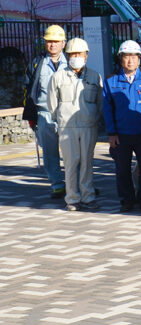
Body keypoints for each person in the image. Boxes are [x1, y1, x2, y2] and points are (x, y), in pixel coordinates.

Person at [47, 37, 103, 211]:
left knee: (87, 162)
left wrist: (94, 118)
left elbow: (100, 102)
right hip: (67, 127)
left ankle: (88, 197)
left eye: (79, 54)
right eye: (72, 54)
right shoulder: (58, 76)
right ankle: (72, 198)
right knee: (71, 163)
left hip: (89, 125)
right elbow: (52, 104)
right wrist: (61, 119)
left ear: (86, 56)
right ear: (67, 55)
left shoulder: (95, 76)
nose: (76, 57)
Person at [102, 40, 141, 212]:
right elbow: (107, 109)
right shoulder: (111, 81)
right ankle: (127, 199)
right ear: (121, 59)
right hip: (121, 134)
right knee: (122, 169)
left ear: (139, 58)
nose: (130, 60)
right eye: (126, 57)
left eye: (134, 57)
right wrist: (111, 133)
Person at [25, 24, 67, 198]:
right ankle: (57, 185)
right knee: (49, 153)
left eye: (56, 41)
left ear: (63, 43)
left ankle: (78, 184)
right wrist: (31, 116)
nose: (52, 45)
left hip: (68, 114)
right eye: (49, 41)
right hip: (44, 113)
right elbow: (28, 88)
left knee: (73, 152)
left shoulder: (71, 62)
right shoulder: (37, 63)